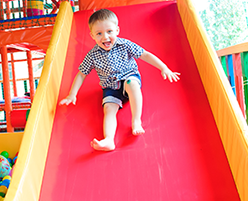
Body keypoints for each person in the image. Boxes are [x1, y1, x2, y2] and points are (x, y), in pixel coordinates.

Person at [59, 9, 180, 151]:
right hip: (110, 87)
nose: (105, 37)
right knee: (109, 109)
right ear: (92, 35)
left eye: (109, 31)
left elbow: (145, 55)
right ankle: (109, 140)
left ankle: (136, 121)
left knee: (132, 84)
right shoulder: (92, 55)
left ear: (117, 30)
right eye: (99, 33)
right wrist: (72, 94)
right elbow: (81, 74)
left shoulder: (125, 45)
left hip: (129, 77)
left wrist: (164, 68)